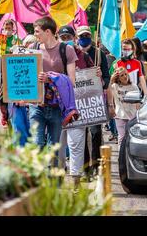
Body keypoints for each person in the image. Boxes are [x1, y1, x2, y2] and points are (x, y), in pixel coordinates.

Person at [29, 17, 77, 154]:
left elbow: (71, 81)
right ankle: (38, 175)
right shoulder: (33, 48)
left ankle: (52, 175)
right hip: (36, 105)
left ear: (48, 32)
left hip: (56, 106)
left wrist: (50, 78)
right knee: (36, 145)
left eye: (37, 31)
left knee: (53, 148)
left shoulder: (66, 50)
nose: (35, 34)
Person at [57, 25, 95, 186]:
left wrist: (96, 74)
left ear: (74, 38)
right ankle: (57, 179)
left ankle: (75, 182)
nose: (66, 41)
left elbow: (93, 79)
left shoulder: (84, 57)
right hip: (57, 109)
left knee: (76, 146)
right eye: (63, 38)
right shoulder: (55, 56)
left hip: (78, 107)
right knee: (57, 147)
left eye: (68, 38)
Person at [76, 26, 109, 179]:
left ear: (91, 36)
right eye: (81, 35)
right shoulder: (73, 53)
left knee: (95, 133)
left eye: (87, 35)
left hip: (94, 101)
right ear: (77, 37)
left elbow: (108, 80)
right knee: (81, 135)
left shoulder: (99, 54)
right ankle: (85, 168)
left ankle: (96, 166)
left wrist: (101, 78)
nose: (84, 37)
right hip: (78, 101)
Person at [108, 67, 139, 144]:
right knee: (121, 137)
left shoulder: (134, 87)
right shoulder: (115, 86)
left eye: (126, 74)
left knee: (131, 138)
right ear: (118, 78)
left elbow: (138, 103)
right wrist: (111, 79)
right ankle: (121, 155)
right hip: (120, 115)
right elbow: (108, 90)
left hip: (132, 116)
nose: (125, 76)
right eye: (122, 75)